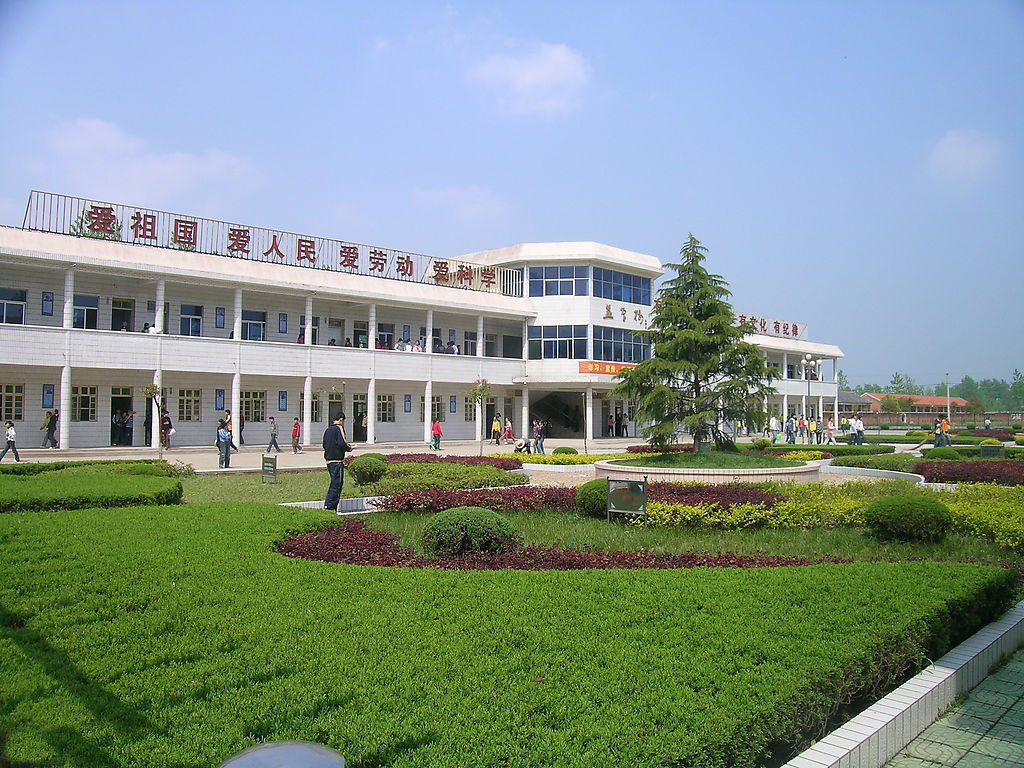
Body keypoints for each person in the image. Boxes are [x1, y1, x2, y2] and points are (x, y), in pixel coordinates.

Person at [322, 412, 353, 511]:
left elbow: (324, 444)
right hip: (337, 461)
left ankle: (329, 505)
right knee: (336, 484)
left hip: (329, 460)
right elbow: (342, 443)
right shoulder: (339, 428)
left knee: (334, 482)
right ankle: (330, 506)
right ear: (341, 420)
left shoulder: (328, 429)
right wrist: (349, 448)